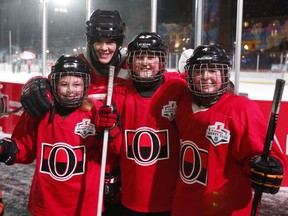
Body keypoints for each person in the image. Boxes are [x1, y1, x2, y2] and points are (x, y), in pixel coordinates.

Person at [164, 44, 285, 215]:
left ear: (224, 74)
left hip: (225, 208)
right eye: (199, 71)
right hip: (185, 205)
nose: (206, 77)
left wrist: (266, 165)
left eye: (213, 71)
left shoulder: (242, 110)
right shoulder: (183, 106)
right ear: (189, 76)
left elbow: (263, 155)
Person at [0, 55, 120, 216]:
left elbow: (115, 149)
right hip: (46, 204)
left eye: (77, 84)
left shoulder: (97, 111)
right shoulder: (39, 112)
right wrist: (7, 149)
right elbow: (24, 149)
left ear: (85, 85)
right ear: (54, 85)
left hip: (85, 205)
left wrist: (112, 129)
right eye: (64, 84)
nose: (70, 90)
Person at [110, 32, 185, 215]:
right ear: (130, 62)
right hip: (130, 196)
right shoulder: (117, 94)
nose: (145, 62)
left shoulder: (179, 89)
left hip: (170, 199)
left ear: (161, 61)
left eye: (151, 57)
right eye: (139, 57)